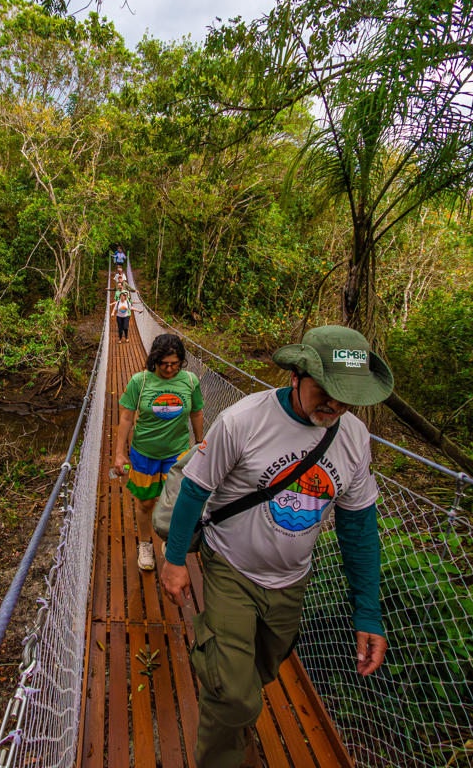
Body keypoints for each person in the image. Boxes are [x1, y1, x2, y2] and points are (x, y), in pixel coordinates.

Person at [159, 325, 393, 768]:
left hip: (291, 582)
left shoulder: (354, 438)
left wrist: (368, 612)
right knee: (233, 696)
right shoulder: (245, 420)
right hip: (230, 567)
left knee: (261, 671)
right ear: (296, 375)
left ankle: (233, 704)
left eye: (348, 396)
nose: (336, 405)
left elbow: (358, 528)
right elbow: (194, 489)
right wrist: (174, 563)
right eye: (326, 390)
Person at [113, 333, 205, 572]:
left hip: (178, 453)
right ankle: (145, 545)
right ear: (155, 360)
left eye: (174, 364)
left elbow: (196, 412)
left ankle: (170, 542)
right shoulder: (139, 381)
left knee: (175, 502)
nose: (169, 369)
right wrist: (119, 453)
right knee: (145, 503)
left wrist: (201, 444)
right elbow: (125, 417)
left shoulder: (190, 381)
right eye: (164, 364)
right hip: (144, 453)